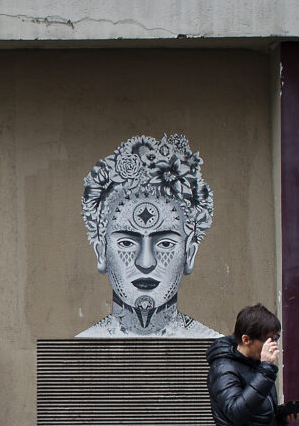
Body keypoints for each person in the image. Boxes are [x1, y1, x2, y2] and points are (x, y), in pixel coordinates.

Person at [78, 134, 218, 337]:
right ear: (102, 253)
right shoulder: (80, 352)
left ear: (189, 254)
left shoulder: (212, 345)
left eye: (165, 244)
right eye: (126, 243)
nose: (145, 262)